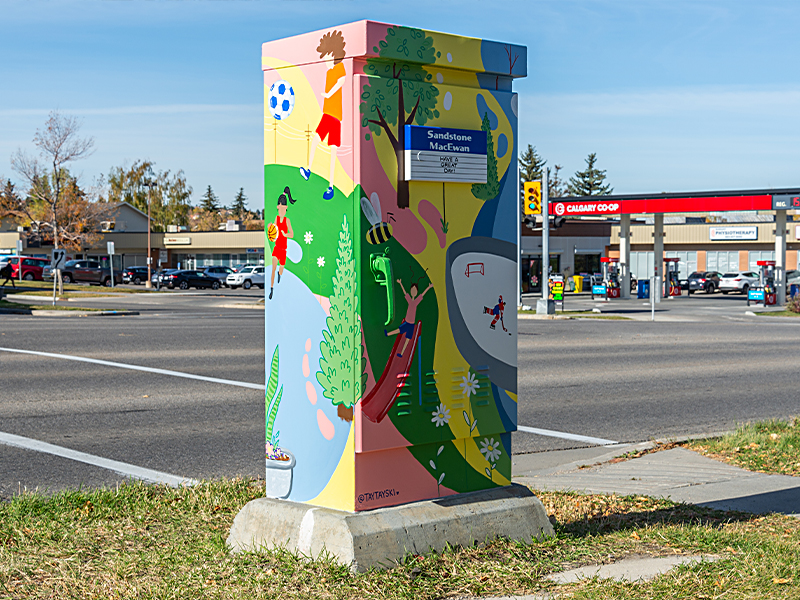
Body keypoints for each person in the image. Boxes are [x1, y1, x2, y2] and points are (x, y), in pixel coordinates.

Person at [299, 30, 346, 200]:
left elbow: (342, 81)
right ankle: (308, 169)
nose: (325, 61)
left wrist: (329, 94)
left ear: (333, 54)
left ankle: (331, 187)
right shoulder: (328, 72)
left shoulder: (340, 67)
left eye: (326, 56)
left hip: (335, 117)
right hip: (327, 114)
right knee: (316, 138)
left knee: (332, 150)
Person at [385, 278, 433, 358]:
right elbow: (404, 292)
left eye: (415, 291)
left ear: (416, 292)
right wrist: (400, 283)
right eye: (412, 290)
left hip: (411, 324)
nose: (413, 292)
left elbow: (422, 294)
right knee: (399, 330)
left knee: (407, 339)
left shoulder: (416, 301)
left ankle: (401, 353)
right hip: (407, 322)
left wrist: (429, 287)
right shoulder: (409, 300)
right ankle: (388, 334)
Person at [269, 186, 295, 300]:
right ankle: (271, 288)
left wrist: (285, 234)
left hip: (283, 249)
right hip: (277, 247)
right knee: (273, 268)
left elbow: (292, 234)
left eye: (283, 210)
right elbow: (274, 231)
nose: (282, 211)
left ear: (286, 208)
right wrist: (270, 228)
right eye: (280, 209)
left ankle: (280, 275)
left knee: (281, 268)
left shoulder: (287, 220)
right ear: (278, 207)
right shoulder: (276, 218)